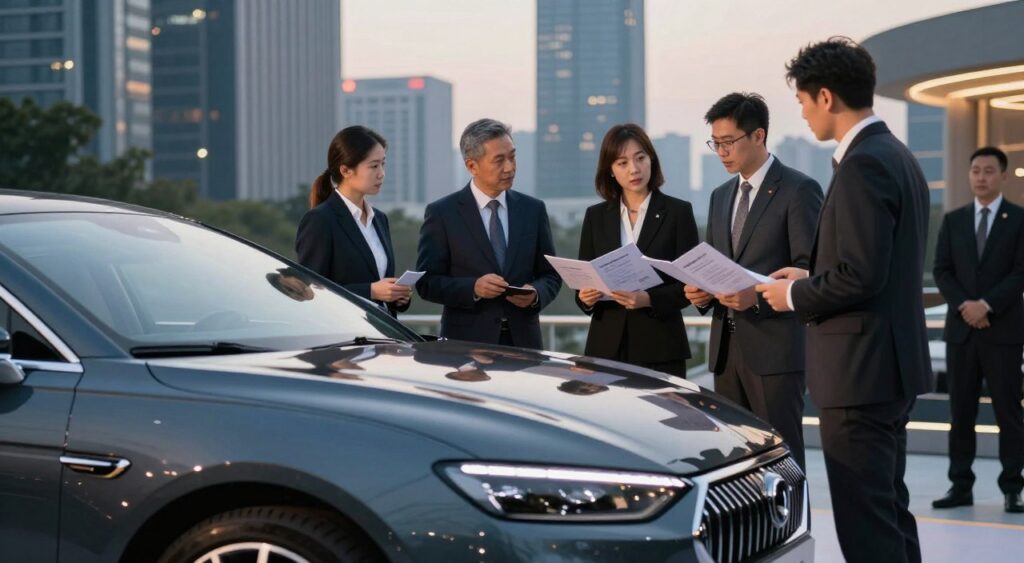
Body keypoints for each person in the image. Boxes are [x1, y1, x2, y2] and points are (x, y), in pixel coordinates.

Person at [756, 37, 932, 563]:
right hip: (887, 369)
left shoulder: (862, 164)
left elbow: (859, 276)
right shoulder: (896, 154)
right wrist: (813, 273)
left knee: (867, 527)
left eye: (805, 103)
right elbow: (874, 263)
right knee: (888, 511)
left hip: (859, 374)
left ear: (826, 96)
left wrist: (789, 293)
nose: (805, 116)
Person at [685, 92, 822, 470]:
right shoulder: (719, 196)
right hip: (726, 351)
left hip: (775, 350)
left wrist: (757, 299)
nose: (722, 152)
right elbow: (715, 264)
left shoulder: (798, 189)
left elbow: (808, 273)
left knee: (782, 455)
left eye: (729, 142)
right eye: (716, 143)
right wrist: (701, 293)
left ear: (758, 135)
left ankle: (791, 527)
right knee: (735, 460)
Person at [932, 146, 1024, 513]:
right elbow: (941, 270)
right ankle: (960, 486)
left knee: (1009, 413)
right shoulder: (953, 221)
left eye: (988, 170)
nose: (981, 176)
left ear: (1002, 175)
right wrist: (965, 307)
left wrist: (986, 305)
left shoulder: (1018, 219)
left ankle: (1013, 488)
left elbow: (1020, 272)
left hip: (1002, 333)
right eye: (975, 170)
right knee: (962, 414)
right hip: (962, 334)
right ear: (969, 175)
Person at [416, 118, 561, 348]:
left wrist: (535, 294)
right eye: (499, 160)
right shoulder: (442, 213)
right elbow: (427, 283)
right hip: (465, 348)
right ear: (472, 166)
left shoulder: (532, 210)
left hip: (524, 344)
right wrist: (473, 288)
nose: (510, 167)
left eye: (512, 156)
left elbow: (551, 275)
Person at [575, 124, 699, 377]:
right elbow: (583, 279)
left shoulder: (678, 213)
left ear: (651, 159)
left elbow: (690, 286)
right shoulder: (595, 217)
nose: (634, 169)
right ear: (610, 170)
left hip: (661, 347)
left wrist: (649, 299)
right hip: (605, 349)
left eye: (640, 158)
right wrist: (585, 298)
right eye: (622, 163)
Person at [295, 126, 411, 317]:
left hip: (382, 334)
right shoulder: (321, 220)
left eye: (383, 164)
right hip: (343, 335)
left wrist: (397, 296)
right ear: (346, 170)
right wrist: (371, 291)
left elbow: (380, 282)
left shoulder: (380, 219)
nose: (381, 173)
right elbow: (310, 289)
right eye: (374, 166)